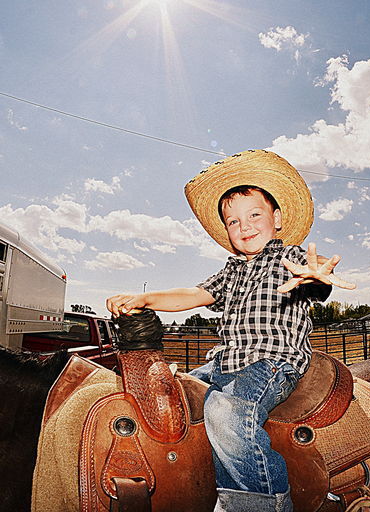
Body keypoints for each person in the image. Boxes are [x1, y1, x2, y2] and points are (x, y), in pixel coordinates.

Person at [106, 149, 355, 512]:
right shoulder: (231, 271)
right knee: (174, 391)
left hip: (272, 362)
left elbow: (314, 283)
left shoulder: (290, 258)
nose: (245, 226)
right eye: (233, 221)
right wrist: (145, 298)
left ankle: (260, 503)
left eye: (254, 215)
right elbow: (193, 294)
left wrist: (317, 278)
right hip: (225, 361)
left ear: (277, 218)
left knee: (227, 413)